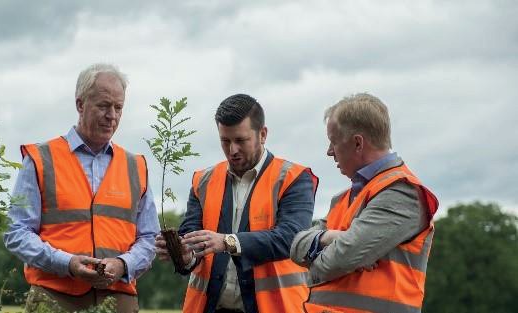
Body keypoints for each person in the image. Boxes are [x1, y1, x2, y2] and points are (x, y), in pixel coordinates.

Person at [4, 63, 160, 313]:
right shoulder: (40, 159)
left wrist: (122, 265)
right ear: (80, 104)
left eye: (118, 107)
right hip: (54, 296)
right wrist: (67, 263)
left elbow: (150, 237)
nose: (112, 115)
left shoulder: (136, 166)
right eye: (103, 106)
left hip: (118, 298)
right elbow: (17, 232)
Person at [156, 94, 318, 313]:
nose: (232, 150)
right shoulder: (203, 180)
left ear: (263, 134)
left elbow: (291, 238)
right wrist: (185, 256)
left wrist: (227, 242)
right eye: (225, 141)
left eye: (240, 140)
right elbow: (191, 240)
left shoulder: (293, 178)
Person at [290, 93, 439, 313]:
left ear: (358, 143)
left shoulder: (401, 192)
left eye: (333, 142)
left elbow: (338, 261)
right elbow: (296, 246)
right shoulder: (343, 198)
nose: (329, 151)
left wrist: (313, 260)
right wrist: (328, 237)